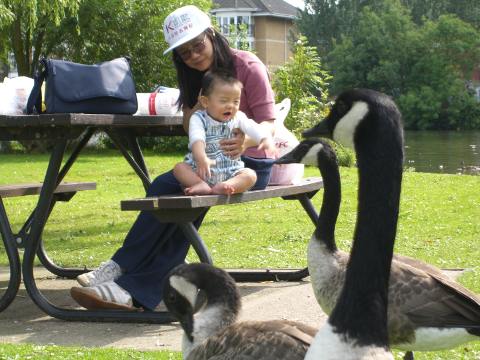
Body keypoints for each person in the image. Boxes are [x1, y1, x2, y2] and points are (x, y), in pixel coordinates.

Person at [70, 5, 276, 311]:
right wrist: (193, 115)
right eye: (184, 52)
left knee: (185, 202)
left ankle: (134, 289)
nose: (193, 55)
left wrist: (244, 142)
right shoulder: (195, 77)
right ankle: (123, 266)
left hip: (247, 166)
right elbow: (191, 125)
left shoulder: (247, 66)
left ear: (212, 35)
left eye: (197, 45)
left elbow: (271, 123)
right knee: (163, 187)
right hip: (208, 162)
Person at [174, 70, 275, 196]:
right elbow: (197, 138)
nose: (230, 106)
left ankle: (227, 185)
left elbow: (252, 127)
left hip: (231, 171)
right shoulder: (199, 118)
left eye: (235, 102)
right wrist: (201, 158)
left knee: (251, 175)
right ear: (205, 102)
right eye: (224, 101)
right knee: (179, 168)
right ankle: (198, 184)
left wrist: (264, 138)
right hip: (200, 170)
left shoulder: (238, 117)